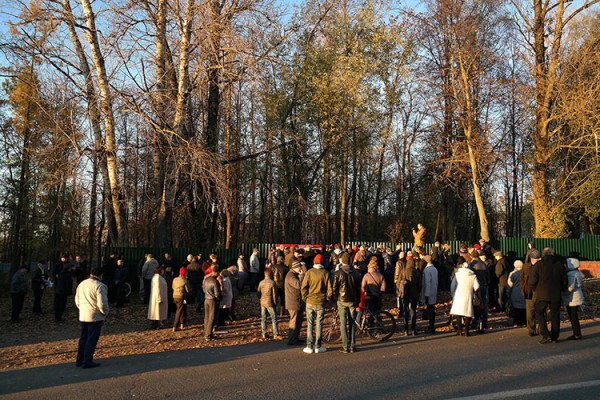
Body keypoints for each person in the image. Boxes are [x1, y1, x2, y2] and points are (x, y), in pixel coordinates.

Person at [530, 248, 567, 344]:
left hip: (542, 294)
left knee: (539, 312)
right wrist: (562, 288)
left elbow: (532, 280)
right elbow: (564, 280)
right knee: (555, 314)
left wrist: (535, 289)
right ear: (552, 254)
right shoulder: (559, 264)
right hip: (556, 294)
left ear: (543, 254)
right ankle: (555, 336)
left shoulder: (538, 265)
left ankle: (546, 335)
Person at [75, 267, 109, 369]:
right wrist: (105, 313)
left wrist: (81, 309)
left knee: (83, 338)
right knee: (92, 339)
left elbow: (77, 300)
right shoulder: (100, 286)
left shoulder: (82, 284)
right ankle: (87, 360)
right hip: (95, 316)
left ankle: (80, 359)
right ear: (101, 275)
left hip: (83, 315)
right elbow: (102, 303)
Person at [301, 254, 332, 354]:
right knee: (319, 324)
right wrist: (327, 298)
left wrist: (305, 297)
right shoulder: (325, 273)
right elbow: (329, 289)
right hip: (321, 301)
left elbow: (304, 287)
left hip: (310, 301)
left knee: (310, 324)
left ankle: (309, 346)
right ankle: (318, 346)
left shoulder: (309, 272)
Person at [333, 252, 361, 353]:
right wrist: (357, 301)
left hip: (342, 299)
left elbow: (335, 288)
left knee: (343, 323)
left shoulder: (338, 273)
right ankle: (353, 345)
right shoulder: (356, 273)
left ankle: (345, 346)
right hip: (352, 300)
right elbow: (358, 289)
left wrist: (336, 298)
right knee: (352, 322)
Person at [450, 258, 480, 336]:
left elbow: (452, 286)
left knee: (458, 313)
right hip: (468, 295)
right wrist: (475, 294)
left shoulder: (457, 274)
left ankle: (459, 330)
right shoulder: (473, 275)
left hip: (458, 295)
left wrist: (453, 294)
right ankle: (467, 331)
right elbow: (477, 286)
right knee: (468, 313)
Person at [398, 251, 422, 336]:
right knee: (413, 311)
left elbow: (398, 283)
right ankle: (413, 329)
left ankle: (405, 330)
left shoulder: (403, 271)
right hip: (414, 294)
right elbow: (420, 285)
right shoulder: (417, 272)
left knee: (406, 311)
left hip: (405, 294)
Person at [562, 258, 584, 340]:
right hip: (577, 296)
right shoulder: (577, 273)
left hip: (572, 298)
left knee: (573, 316)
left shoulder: (571, 274)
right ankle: (576, 333)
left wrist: (564, 292)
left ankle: (577, 334)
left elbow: (570, 288)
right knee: (574, 316)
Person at [521, 249, 541, 336]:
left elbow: (521, 278)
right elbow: (522, 278)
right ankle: (536, 328)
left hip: (533, 291)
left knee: (532, 310)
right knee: (535, 310)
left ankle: (533, 328)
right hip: (533, 291)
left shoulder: (526, 266)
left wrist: (523, 288)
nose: (533, 260)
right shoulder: (527, 266)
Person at [257, 268, 281, 340]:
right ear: (271, 274)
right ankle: (275, 334)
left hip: (263, 302)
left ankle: (264, 333)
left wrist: (260, 299)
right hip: (270, 302)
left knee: (263, 318)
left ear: (264, 274)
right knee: (274, 318)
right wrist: (275, 303)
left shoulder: (261, 282)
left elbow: (258, 293)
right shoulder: (272, 283)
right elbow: (274, 295)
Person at [470, 250, 490, 334]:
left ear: (471, 256)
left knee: (475, 304)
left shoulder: (472, 265)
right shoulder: (484, 264)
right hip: (484, 286)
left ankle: (475, 322)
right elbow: (488, 277)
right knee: (484, 305)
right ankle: (484, 322)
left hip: (476, 287)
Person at [285, 261, 304, 346]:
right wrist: (302, 276)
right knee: (294, 321)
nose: (301, 269)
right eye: (300, 267)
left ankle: (295, 338)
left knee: (298, 321)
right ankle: (291, 339)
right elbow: (299, 285)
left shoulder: (293, 275)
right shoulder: (291, 276)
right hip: (293, 303)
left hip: (296, 302)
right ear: (296, 267)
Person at [203, 265, 222, 341]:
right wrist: (220, 298)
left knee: (206, 317)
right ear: (217, 273)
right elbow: (217, 294)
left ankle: (206, 332)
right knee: (212, 318)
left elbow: (204, 290)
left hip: (206, 299)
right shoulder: (215, 282)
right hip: (212, 300)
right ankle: (208, 335)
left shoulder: (206, 279)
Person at [421, 255, 439, 334]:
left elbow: (427, 283)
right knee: (432, 308)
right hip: (434, 291)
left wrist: (426, 295)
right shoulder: (435, 269)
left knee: (430, 309)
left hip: (429, 292)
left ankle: (431, 327)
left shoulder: (427, 270)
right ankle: (432, 325)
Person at [54, 257, 74, 322]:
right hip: (63, 292)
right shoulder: (67, 275)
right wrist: (69, 292)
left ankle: (57, 316)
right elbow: (68, 284)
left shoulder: (61, 273)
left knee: (58, 304)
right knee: (62, 305)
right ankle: (59, 317)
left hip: (58, 291)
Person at [172, 267, 191, 332]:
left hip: (175, 296)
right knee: (179, 311)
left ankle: (182, 323)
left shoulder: (175, 279)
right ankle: (175, 326)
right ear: (185, 274)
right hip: (181, 296)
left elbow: (173, 287)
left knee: (182, 309)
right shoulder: (185, 281)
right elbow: (188, 290)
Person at [507, 260, 526, 327]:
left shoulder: (513, 274)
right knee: (524, 306)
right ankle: (524, 321)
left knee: (516, 307)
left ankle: (517, 322)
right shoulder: (526, 273)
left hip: (515, 293)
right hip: (524, 292)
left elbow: (510, 284)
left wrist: (508, 292)